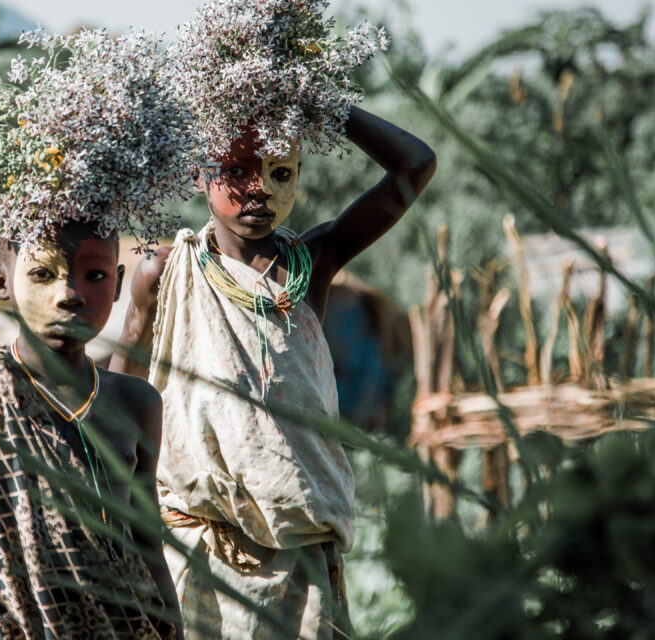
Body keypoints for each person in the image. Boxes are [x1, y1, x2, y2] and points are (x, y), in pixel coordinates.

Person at [109, 2, 437, 638]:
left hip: (301, 563)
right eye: (235, 171)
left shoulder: (312, 264)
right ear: (201, 175)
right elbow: (118, 399)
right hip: (195, 556)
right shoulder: (163, 272)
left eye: (279, 171)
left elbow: (414, 167)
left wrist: (315, 101)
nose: (258, 189)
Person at [0, 27, 195, 640]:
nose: (69, 293)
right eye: (43, 273)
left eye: (92, 274)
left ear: (116, 282)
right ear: (0, 282)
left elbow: (148, 553)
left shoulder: (135, 404)